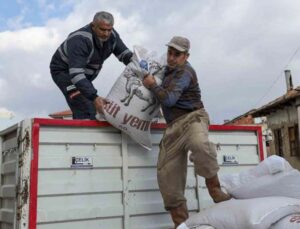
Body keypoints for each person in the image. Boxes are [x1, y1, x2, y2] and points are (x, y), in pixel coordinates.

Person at [142, 36, 231, 228]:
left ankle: (214, 188)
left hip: (193, 119)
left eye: (177, 54)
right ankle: (181, 224)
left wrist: (152, 85)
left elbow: (169, 100)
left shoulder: (185, 72)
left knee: (200, 145)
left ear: (186, 56)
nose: (172, 58)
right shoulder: (165, 70)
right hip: (173, 127)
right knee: (167, 177)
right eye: (170, 53)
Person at [50, 11, 133, 119]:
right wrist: (94, 97)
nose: (106, 34)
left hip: (84, 75)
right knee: (86, 107)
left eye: (109, 30)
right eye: (102, 30)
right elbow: (76, 74)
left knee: (96, 109)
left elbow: (125, 55)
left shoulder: (112, 36)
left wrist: (141, 66)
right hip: (65, 73)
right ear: (93, 26)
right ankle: (83, 133)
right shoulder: (79, 40)